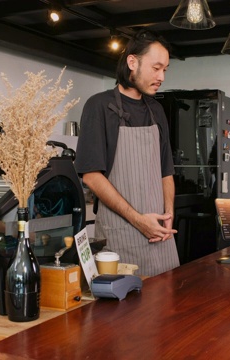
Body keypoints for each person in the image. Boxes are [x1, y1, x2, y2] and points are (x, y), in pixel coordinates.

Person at [74, 29, 179, 277]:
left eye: (165, 69)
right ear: (132, 62)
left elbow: (166, 172)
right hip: (119, 238)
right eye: (156, 68)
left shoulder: (156, 110)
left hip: (160, 237)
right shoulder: (99, 106)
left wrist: (168, 214)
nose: (161, 76)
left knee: (167, 308)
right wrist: (139, 221)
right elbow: (91, 176)